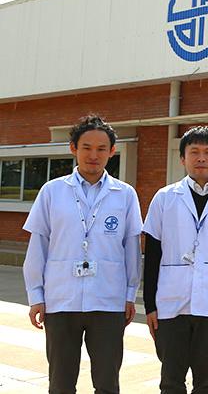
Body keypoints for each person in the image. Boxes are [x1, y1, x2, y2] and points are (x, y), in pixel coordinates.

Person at [23, 114, 142, 394]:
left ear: (112, 151)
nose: (93, 155)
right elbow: (38, 246)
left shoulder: (124, 194)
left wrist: (128, 296)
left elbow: (132, 249)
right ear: (73, 148)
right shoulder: (52, 191)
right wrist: (36, 296)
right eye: (86, 147)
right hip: (61, 300)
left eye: (102, 149)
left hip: (108, 301)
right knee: (61, 383)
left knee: (107, 382)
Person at [143, 126, 208, 394]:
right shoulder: (164, 198)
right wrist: (149, 305)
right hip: (171, 304)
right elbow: (152, 254)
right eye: (194, 152)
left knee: (206, 383)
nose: (200, 158)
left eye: (207, 152)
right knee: (171, 381)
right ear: (183, 158)